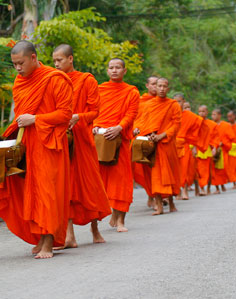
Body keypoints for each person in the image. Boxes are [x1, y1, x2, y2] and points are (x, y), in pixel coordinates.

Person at [0, 40, 72, 259]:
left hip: (49, 143)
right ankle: (39, 236)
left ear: (34, 58)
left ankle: (48, 241)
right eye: (14, 64)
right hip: (27, 142)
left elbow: (65, 114)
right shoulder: (20, 81)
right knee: (29, 192)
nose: (18, 68)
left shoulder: (55, 79)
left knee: (47, 192)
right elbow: (20, 115)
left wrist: (36, 119)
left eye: (21, 63)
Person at [51, 44, 111, 248]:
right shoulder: (55, 81)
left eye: (59, 60)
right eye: (54, 61)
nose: (56, 64)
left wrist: (78, 117)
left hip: (83, 140)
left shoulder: (87, 80)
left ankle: (95, 229)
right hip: (63, 139)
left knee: (89, 185)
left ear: (70, 59)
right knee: (67, 186)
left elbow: (95, 111)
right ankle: (70, 236)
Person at [93, 58, 139, 231]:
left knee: (121, 181)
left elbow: (132, 113)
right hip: (101, 140)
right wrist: (95, 125)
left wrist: (119, 128)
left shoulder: (131, 92)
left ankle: (121, 220)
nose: (114, 70)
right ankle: (102, 215)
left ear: (124, 71)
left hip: (120, 140)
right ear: (107, 71)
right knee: (101, 180)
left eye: (118, 68)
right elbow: (95, 111)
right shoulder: (100, 90)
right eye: (111, 68)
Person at [133, 78, 181, 215]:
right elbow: (141, 121)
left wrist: (162, 135)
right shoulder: (149, 105)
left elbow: (176, 124)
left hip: (166, 143)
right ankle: (159, 205)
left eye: (164, 86)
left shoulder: (173, 105)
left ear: (168, 88)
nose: (161, 89)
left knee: (168, 173)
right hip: (153, 144)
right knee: (156, 175)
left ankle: (171, 203)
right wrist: (137, 130)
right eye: (159, 86)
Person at [174, 94, 206, 200]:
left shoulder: (190, 116)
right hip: (172, 145)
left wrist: (195, 146)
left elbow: (199, 129)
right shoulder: (170, 114)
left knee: (185, 168)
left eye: (180, 101)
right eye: (176, 101)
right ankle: (177, 191)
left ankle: (184, 190)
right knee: (175, 170)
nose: (178, 104)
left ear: (184, 102)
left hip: (186, 145)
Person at [133, 76, 158, 209]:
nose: (155, 86)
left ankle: (157, 196)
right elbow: (136, 118)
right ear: (147, 85)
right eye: (153, 84)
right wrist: (135, 129)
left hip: (159, 137)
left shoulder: (164, 103)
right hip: (144, 138)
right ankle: (152, 196)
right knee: (147, 169)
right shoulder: (141, 101)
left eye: (157, 84)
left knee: (158, 169)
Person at [195, 105, 219, 196]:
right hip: (198, 149)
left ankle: (208, 188)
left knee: (208, 170)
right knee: (199, 170)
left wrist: (214, 147)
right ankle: (202, 188)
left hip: (208, 149)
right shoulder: (195, 123)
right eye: (200, 111)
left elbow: (215, 137)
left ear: (207, 112)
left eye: (203, 111)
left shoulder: (212, 124)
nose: (201, 113)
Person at [210, 109, 234, 194]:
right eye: (212, 114)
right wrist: (213, 145)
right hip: (214, 149)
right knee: (214, 169)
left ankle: (222, 185)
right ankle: (217, 188)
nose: (213, 116)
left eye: (215, 114)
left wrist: (223, 143)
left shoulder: (226, 125)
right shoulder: (211, 125)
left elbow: (231, 137)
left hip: (223, 150)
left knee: (223, 169)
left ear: (219, 115)